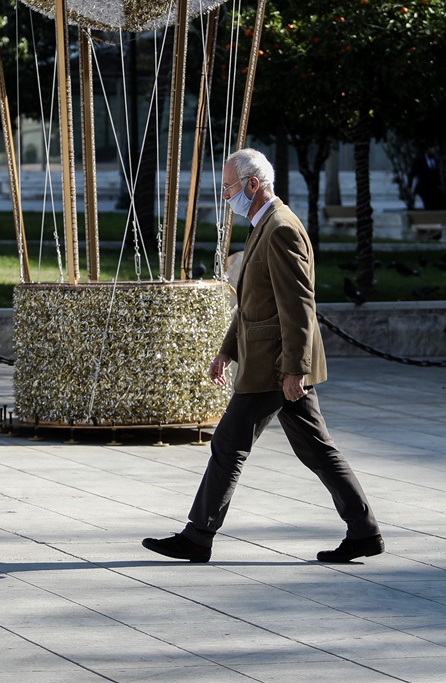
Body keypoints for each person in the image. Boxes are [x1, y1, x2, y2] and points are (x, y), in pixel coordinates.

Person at [142, 148, 383, 564]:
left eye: (229, 187)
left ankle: (198, 536)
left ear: (253, 185)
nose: (225, 197)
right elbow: (252, 302)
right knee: (316, 448)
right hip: (271, 361)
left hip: (276, 366)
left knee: (229, 442)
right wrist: (227, 351)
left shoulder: (281, 229)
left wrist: (295, 369)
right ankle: (364, 531)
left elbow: (298, 306)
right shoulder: (263, 225)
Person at [410, 146, 446, 211]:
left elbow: (437, 174)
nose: (433, 150)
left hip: (434, 187)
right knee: (427, 202)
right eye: (431, 148)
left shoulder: (435, 160)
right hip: (423, 187)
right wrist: (409, 186)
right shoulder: (420, 161)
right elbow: (412, 173)